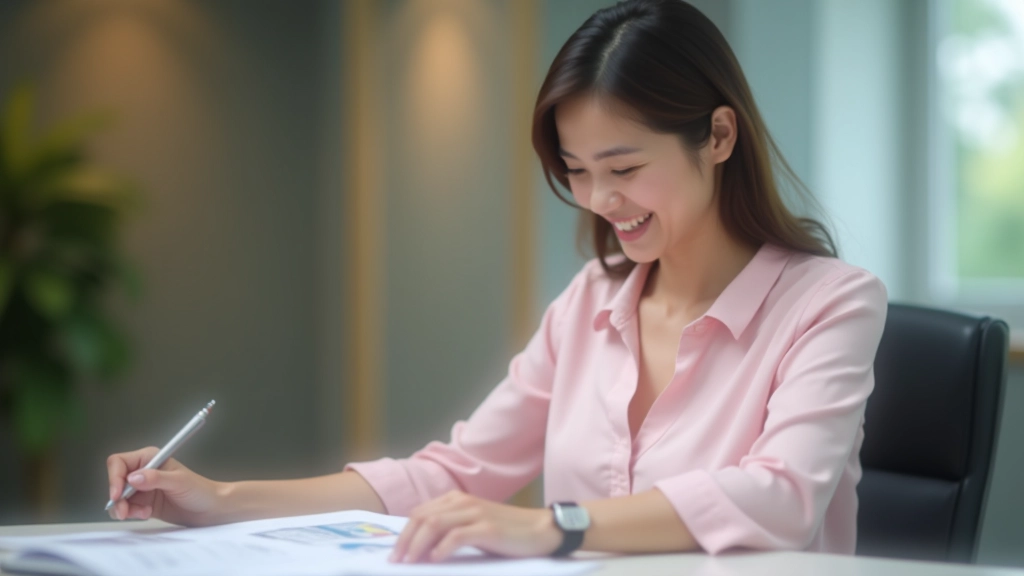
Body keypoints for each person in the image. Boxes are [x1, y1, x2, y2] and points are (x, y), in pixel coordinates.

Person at [105, 0, 887, 563]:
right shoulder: (589, 303)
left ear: (717, 135)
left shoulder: (832, 303)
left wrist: (555, 526)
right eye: (576, 171)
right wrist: (221, 500)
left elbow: (781, 500)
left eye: (623, 167)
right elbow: (452, 473)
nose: (597, 200)